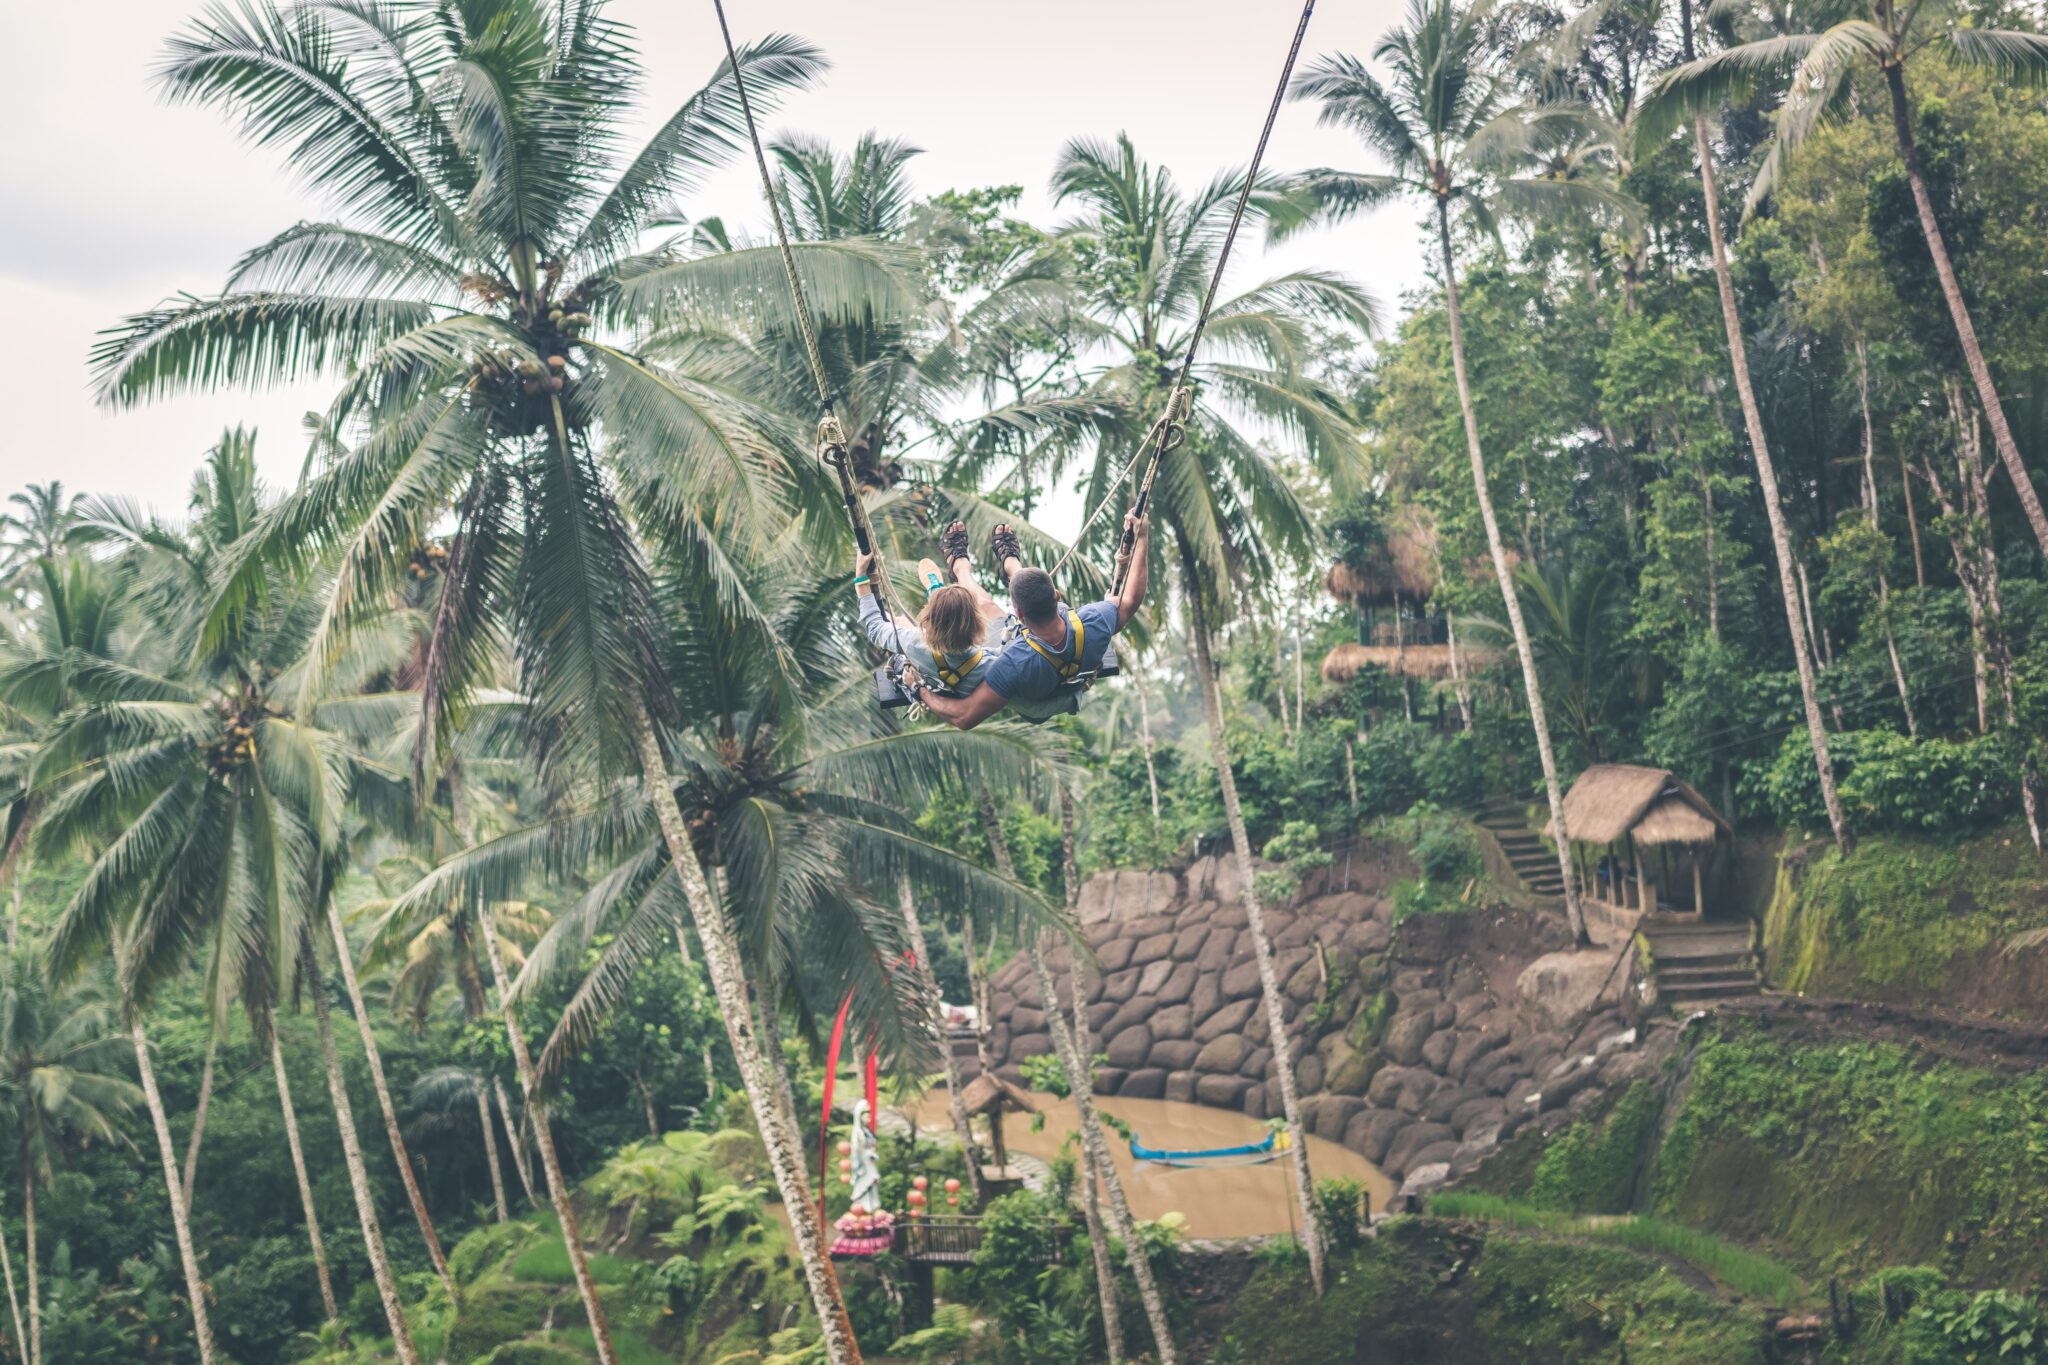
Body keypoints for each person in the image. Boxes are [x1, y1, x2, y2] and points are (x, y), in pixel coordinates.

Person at [918, 511, 1150, 730]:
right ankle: (1011, 564)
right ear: (1057, 596)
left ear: (1017, 615)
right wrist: (1142, 537)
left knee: (986, 605)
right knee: (1029, 583)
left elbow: (964, 716)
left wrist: (918, 690)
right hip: (1069, 670)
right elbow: (1130, 599)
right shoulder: (1094, 621)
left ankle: (961, 569)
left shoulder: (1012, 663)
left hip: (1036, 693)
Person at [855, 520, 1008, 696]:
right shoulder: (989, 663)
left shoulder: (914, 643)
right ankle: (938, 588)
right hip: (960, 678)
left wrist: (861, 576)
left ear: (927, 622)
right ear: (979, 623)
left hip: (926, 677)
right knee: (900, 622)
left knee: (897, 621)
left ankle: (936, 592)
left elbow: (875, 628)